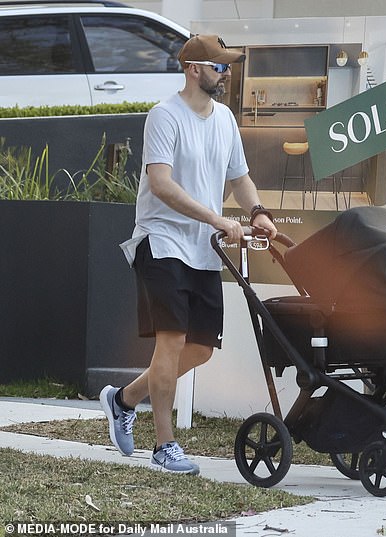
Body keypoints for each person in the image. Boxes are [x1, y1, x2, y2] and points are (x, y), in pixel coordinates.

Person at [99, 34, 277, 475]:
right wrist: (217, 219)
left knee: (199, 350)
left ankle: (123, 400)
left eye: (228, 66)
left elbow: (240, 178)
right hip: (161, 241)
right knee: (172, 340)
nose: (226, 73)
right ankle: (164, 446)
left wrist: (256, 211)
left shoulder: (225, 120)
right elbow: (161, 184)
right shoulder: (164, 117)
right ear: (193, 69)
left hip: (203, 249)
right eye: (219, 66)